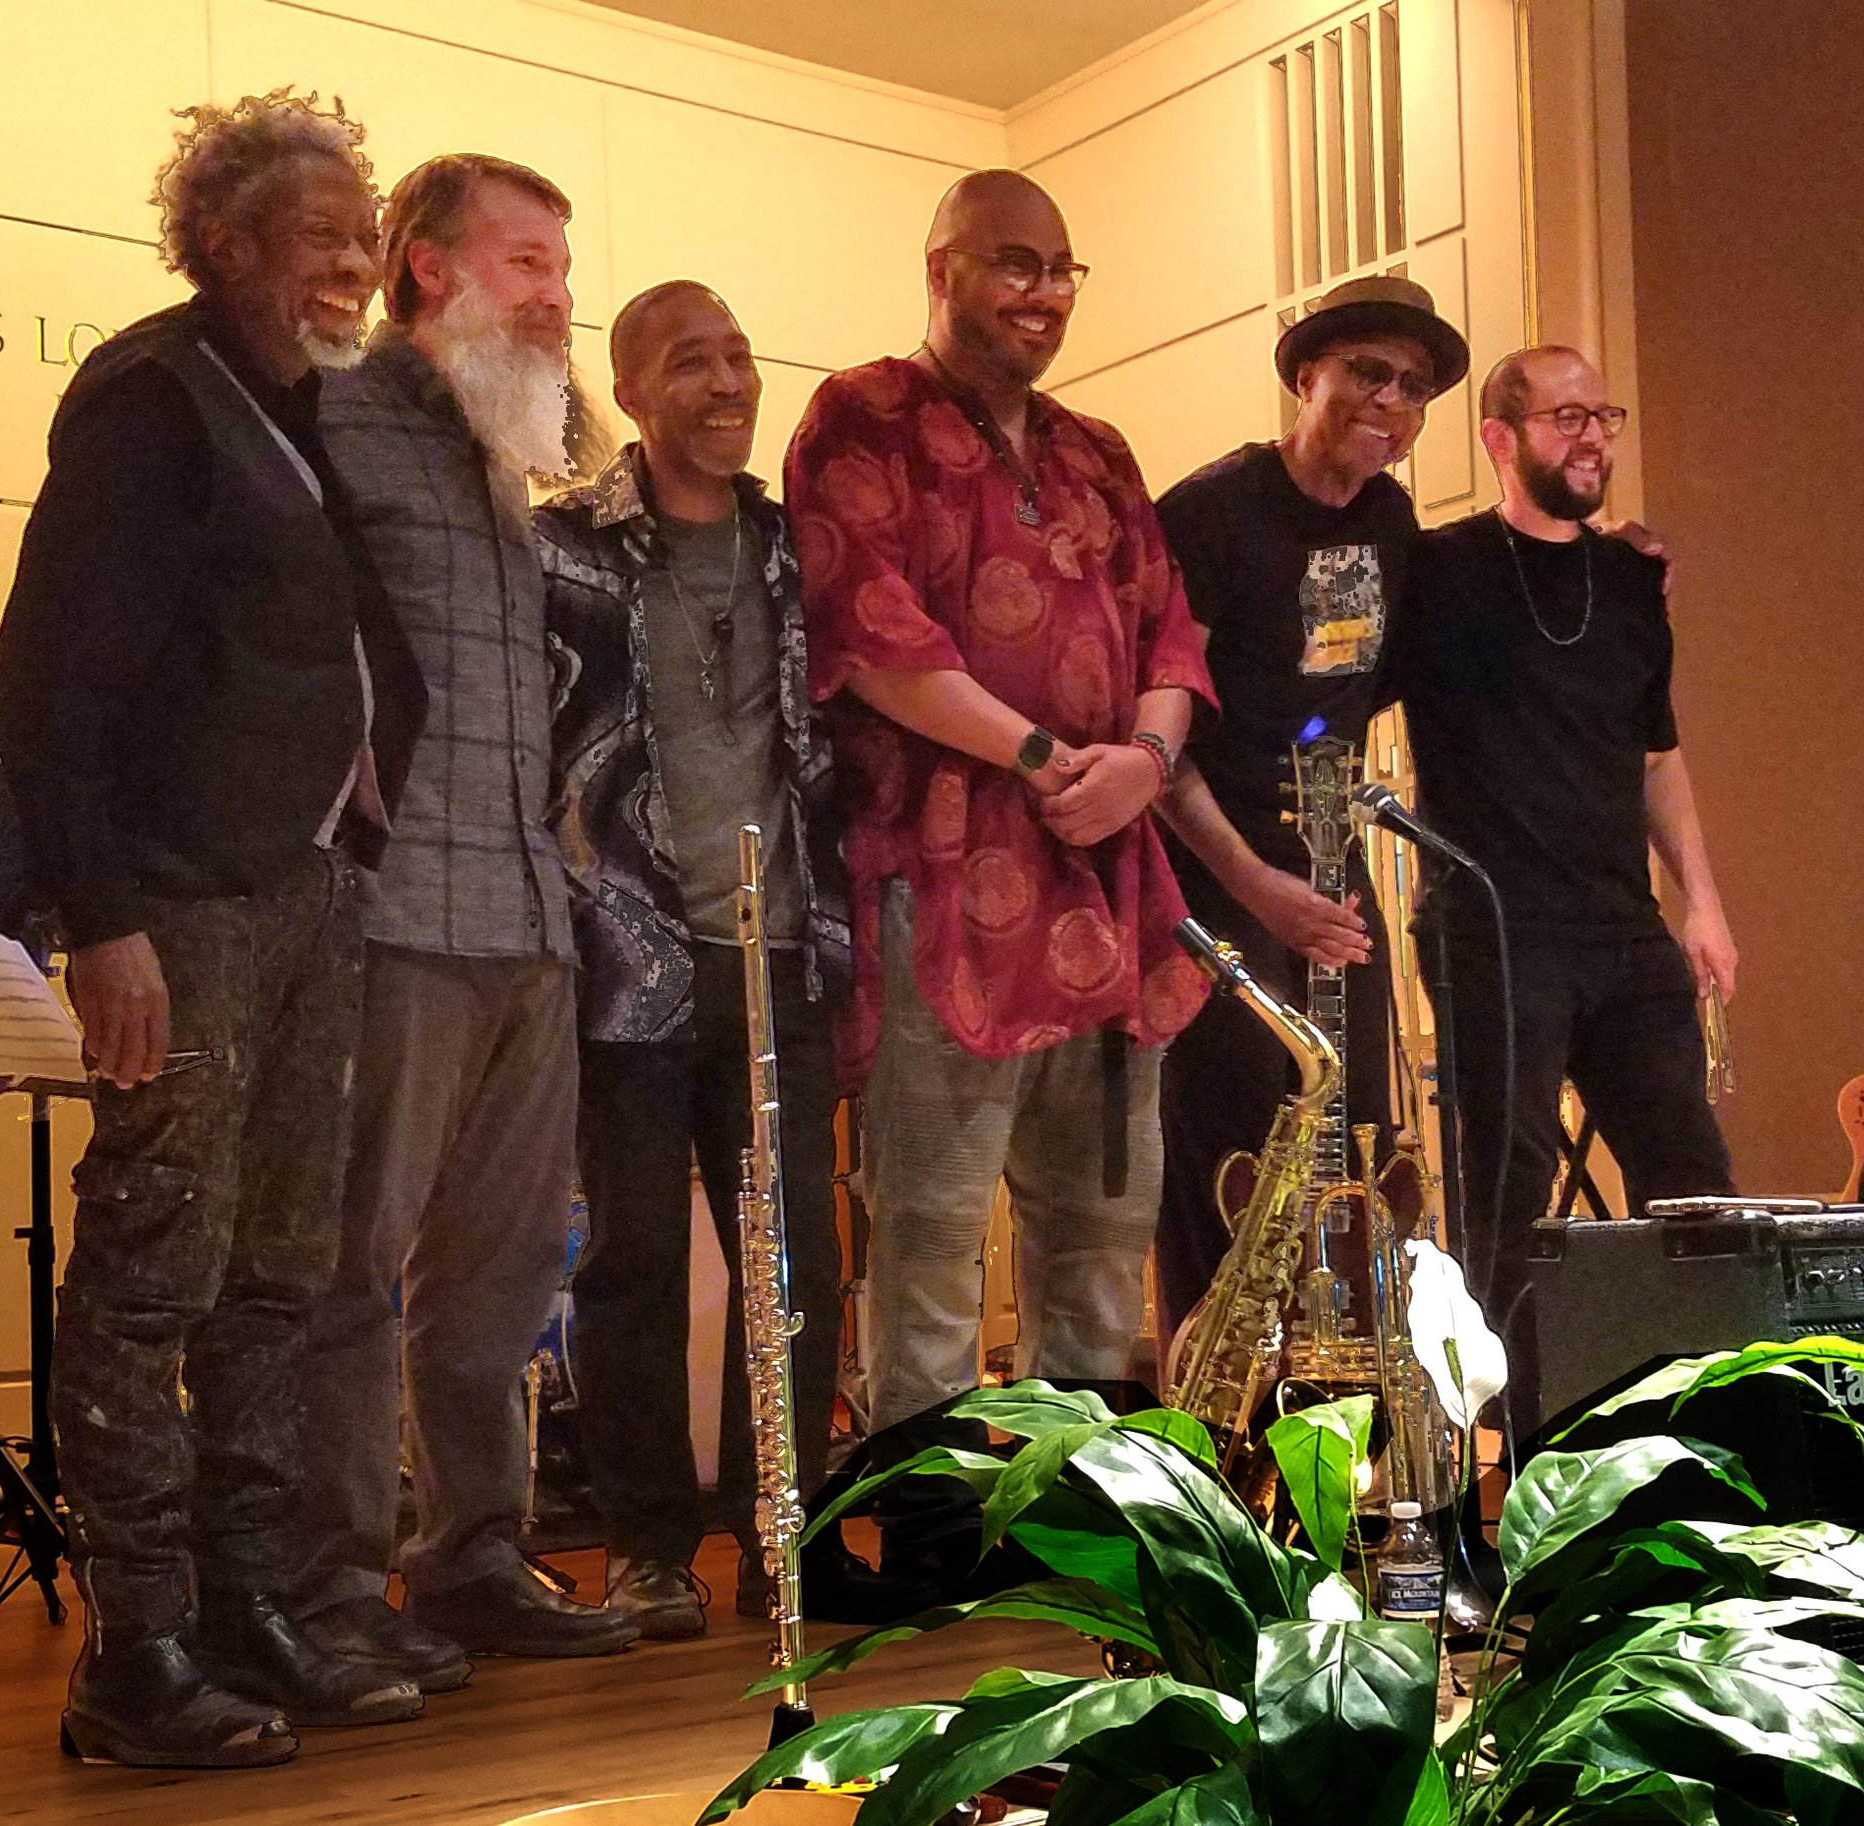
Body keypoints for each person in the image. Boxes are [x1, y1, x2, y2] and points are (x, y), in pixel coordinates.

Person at [0, 90, 429, 1769]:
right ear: (225, 239)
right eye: (322, 235)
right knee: (154, 1270)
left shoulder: (302, 413)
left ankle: (254, 1608)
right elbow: (45, 686)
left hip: (309, 894)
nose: (353, 265)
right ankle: (138, 1648)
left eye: (363, 236)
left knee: (278, 1276)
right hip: (177, 900)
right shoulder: (150, 398)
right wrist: (103, 922)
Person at [784, 169, 1215, 1577]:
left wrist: (1142, 765)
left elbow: (1170, 638)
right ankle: (923, 1539)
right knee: (928, 1221)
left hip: (1110, 888)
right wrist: (1046, 758)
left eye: (1060, 270)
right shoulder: (863, 414)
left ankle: (1074, 1528)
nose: (1038, 293)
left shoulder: (1100, 451)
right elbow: (872, 624)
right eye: (1011, 265)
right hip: (947, 879)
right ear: (943, 266)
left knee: (1100, 1224)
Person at [288, 152, 636, 1684]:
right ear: (425, 267)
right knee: (347, 1268)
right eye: (527, 264)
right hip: (387, 917)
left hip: (524, 918)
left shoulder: (516, 450)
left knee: (501, 1279)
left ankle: (475, 1553)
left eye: (565, 266)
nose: (559, 296)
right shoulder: (334, 416)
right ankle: (328, 1584)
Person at [540, 281, 901, 1639]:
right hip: (626, 957)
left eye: (741, 355)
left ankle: (782, 1542)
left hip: (778, 957)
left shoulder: (798, 544)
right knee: (630, 1263)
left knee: (795, 1259)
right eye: (691, 361)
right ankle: (644, 1546)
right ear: (631, 390)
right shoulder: (563, 547)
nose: (728, 379)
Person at [1390, 344, 1739, 1438]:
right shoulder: (1435, 572)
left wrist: (1704, 901)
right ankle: (1532, 1452)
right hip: (1493, 930)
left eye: (1603, 415)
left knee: (1695, 1181)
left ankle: (1710, 1433)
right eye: (1563, 417)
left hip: (1619, 930)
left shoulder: (1633, 580)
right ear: (1498, 438)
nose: (1591, 437)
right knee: (1506, 1196)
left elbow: (1656, 756)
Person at [1150, 274, 1468, 1342]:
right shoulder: (1207, 512)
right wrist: (1255, 886)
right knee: (1231, 1164)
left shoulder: (1389, 521)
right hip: (1211, 881)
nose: (1390, 400)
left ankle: (1343, 1428)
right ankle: (1213, 1436)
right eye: (1366, 373)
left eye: (1413, 386)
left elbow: (1386, 674)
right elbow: (1155, 730)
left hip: (1332, 880)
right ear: (1304, 376)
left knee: (1352, 1153)